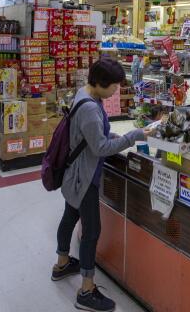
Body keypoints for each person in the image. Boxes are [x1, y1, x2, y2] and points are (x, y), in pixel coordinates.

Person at [53, 59, 152, 312]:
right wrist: (133, 137)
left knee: (69, 216)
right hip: (84, 178)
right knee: (91, 231)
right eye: (114, 87)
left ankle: (62, 264)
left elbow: (92, 137)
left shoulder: (84, 94)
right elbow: (99, 148)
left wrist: (111, 135)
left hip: (73, 174)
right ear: (99, 83)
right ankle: (86, 291)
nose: (116, 91)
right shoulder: (89, 108)